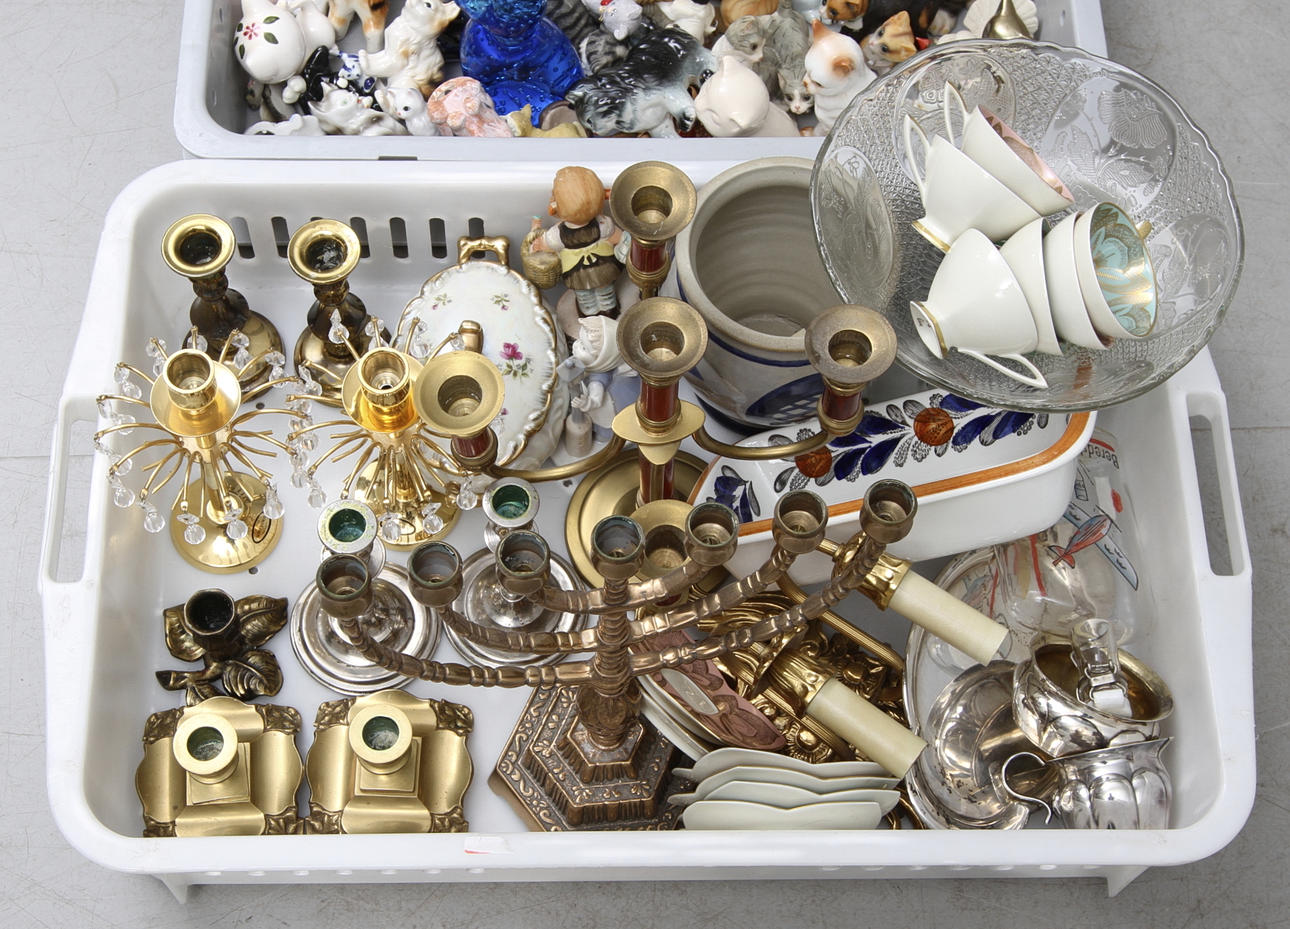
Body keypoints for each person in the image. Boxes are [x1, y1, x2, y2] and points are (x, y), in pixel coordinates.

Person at [530, 166, 625, 318]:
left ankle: (589, 311)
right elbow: (616, 236)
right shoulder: (603, 223)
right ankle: (608, 308)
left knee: (584, 294)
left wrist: (538, 244)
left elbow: (547, 245)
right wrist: (624, 241)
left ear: (555, 206)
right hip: (604, 266)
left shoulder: (557, 234)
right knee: (605, 289)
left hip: (576, 271)